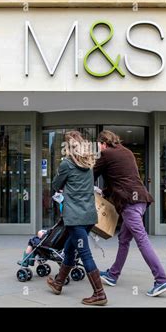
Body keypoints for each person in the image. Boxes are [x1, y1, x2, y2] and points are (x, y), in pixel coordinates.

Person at [94, 130, 166, 297]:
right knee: (124, 239)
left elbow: (90, 175)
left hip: (130, 203)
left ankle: (161, 280)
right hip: (141, 199)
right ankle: (113, 274)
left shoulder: (106, 154)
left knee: (142, 239)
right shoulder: (127, 152)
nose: (99, 149)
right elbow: (123, 178)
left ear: (103, 143)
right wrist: (104, 191)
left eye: (98, 145)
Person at [47, 131, 107, 306]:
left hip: (75, 217)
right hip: (88, 216)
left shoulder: (66, 164)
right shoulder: (89, 163)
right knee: (70, 247)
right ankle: (58, 283)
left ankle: (99, 293)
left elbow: (56, 185)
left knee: (85, 254)